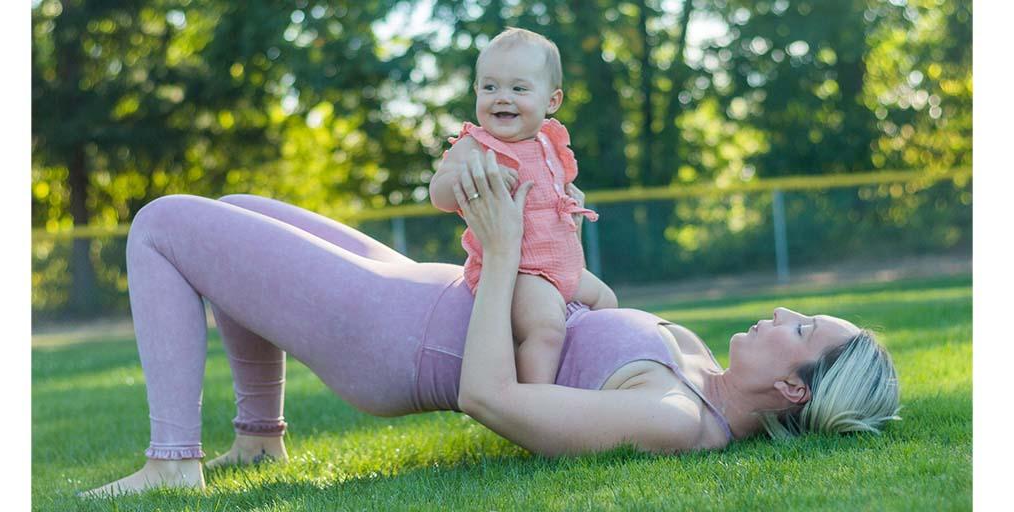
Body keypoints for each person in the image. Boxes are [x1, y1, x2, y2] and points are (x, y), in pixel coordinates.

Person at [80, 150, 900, 497]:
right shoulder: (691, 367)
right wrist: (554, 230)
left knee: (163, 223)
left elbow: (489, 397)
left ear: (795, 387)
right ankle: (258, 439)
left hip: (391, 336)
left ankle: (173, 461)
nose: (784, 313)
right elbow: (587, 317)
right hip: (422, 289)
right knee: (233, 212)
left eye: (803, 328)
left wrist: (505, 252)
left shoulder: (675, 417)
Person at [429, 27, 617, 384]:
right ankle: (532, 403)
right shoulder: (477, 146)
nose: (502, 98)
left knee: (607, 302)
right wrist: (481, 176)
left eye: (518, 88)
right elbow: (438, 193)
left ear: (552, 101)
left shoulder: (549, 142)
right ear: (476, 92)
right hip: (518, 272)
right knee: (546, 328)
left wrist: (569, 196)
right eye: (490, 87)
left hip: (563, 266)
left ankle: (588, 381)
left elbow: (553, 189)